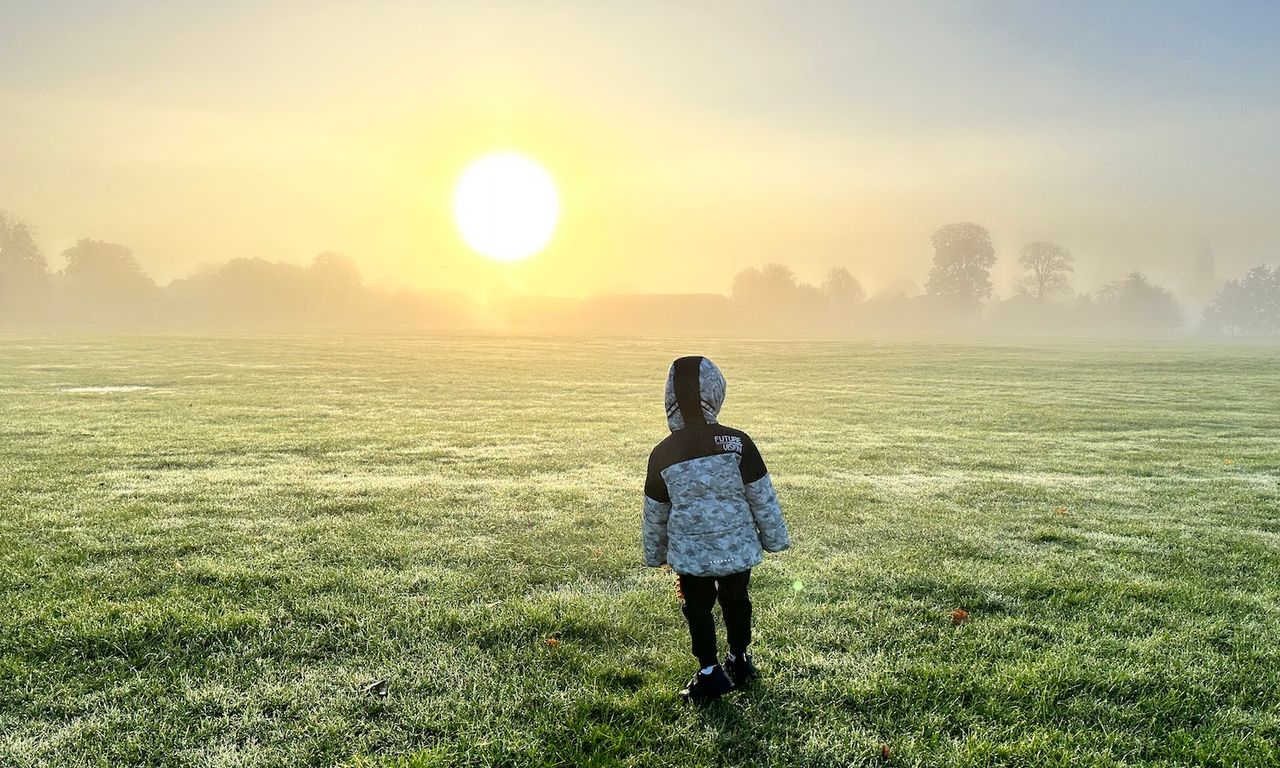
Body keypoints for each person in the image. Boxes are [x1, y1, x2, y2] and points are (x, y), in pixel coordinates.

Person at [641, 355, 791, 705]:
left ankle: (709, 671)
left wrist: (655, 553)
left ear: (669, 399)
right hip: (737, 549)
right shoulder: (737, 443)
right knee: (737, 600)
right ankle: (739, 659)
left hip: (691, 557)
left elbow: (656, 511)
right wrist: (774, 538)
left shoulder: (663, 453)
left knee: (698, 607)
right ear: (716, 392)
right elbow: (762, 496)